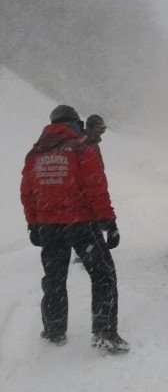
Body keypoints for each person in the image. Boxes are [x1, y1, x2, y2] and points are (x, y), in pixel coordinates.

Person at [20, 105, 129, 352]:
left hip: (49, 226)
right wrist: (109, 222)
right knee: (103, 275)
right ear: (74, 123)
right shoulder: (81, 148)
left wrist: (33, 224)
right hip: (81, 224)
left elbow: (27, 193)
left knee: (54, 278)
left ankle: (54, 329)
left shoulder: (35, 153)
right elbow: (95, 187)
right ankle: (104, 333)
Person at [72, 115, 118, 262]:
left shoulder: (91, 142)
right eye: (99, 129)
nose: (101, 133)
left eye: (103, 129)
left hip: (91, 186)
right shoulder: (85, 143)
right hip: (86, 189)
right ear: (91, 128)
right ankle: (86, 253)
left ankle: (87, 251)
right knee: (89, 220)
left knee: (93, 220)